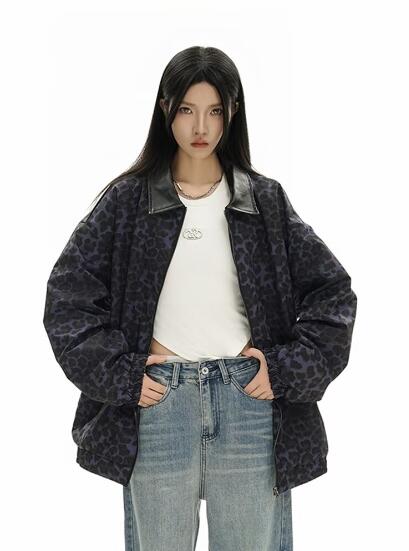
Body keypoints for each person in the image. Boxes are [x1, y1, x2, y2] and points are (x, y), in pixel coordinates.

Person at [43, 46, 357, 551]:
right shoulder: (128, 202)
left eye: (214, 111)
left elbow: (332, 293)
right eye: (187, 109)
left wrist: (284, 370)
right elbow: (67, 297)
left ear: (232, 113)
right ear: (165, 108)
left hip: (247, 401)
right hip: (159, 402)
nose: (200, 127)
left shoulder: (262, 201)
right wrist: (122, 373)